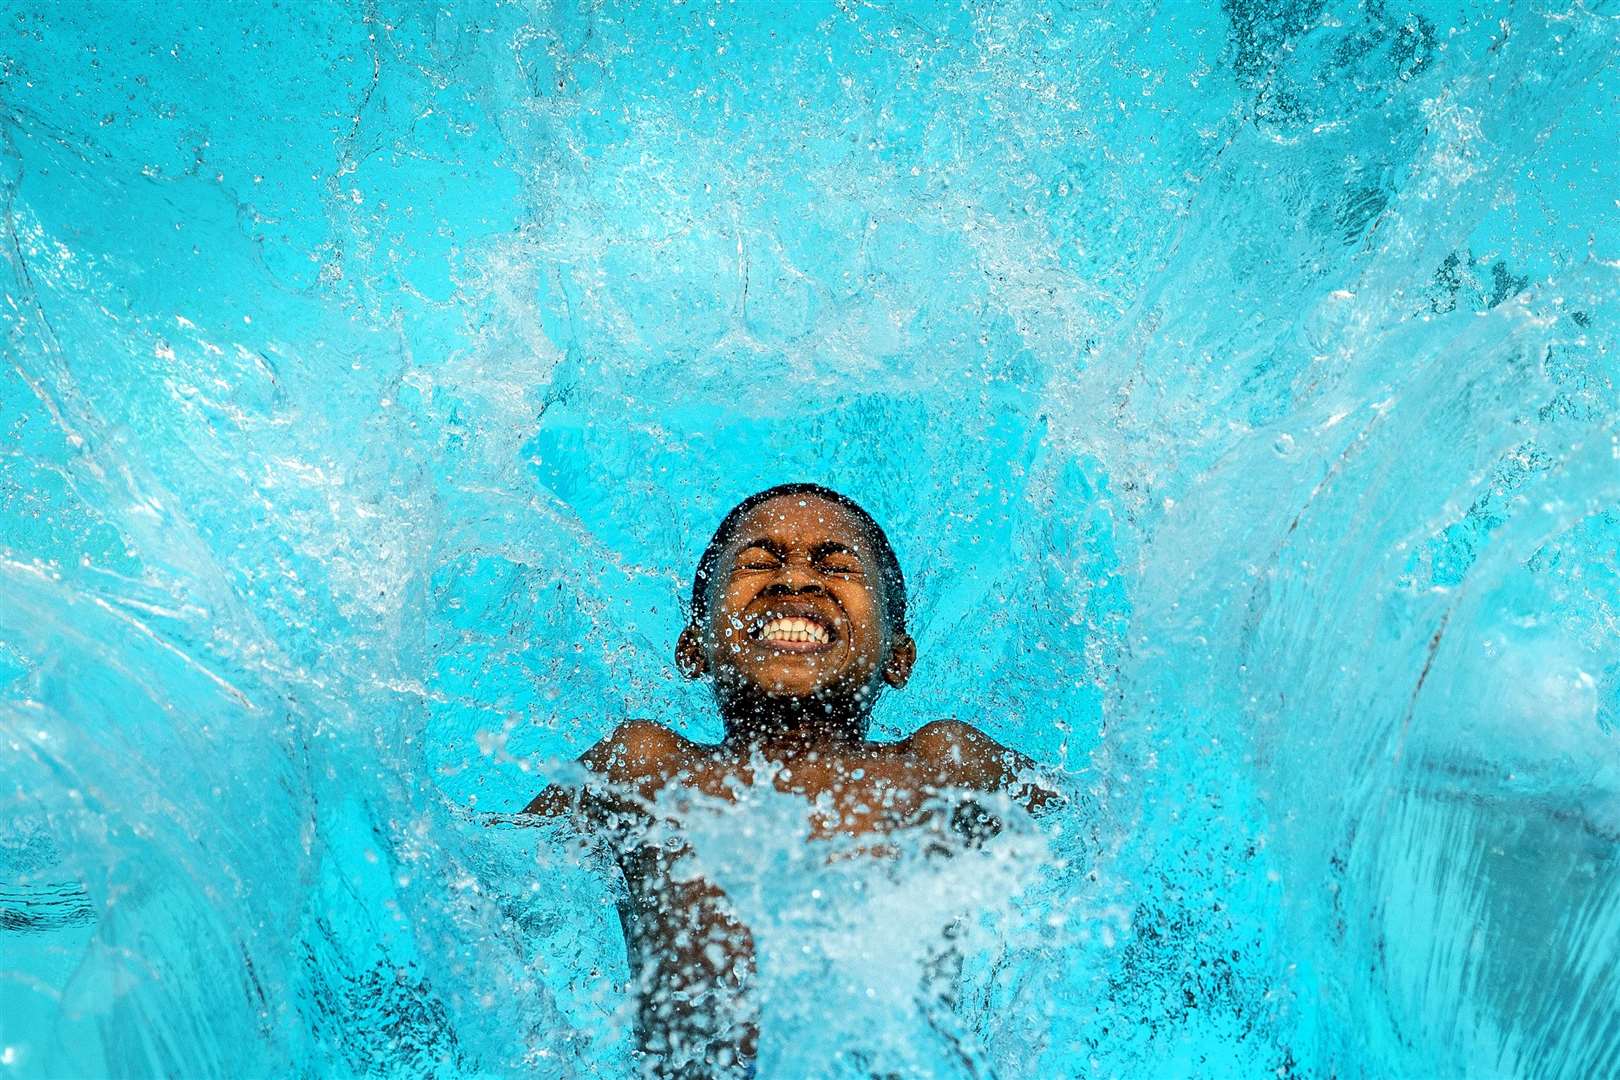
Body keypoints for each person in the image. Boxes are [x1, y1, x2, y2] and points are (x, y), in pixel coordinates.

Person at [522, 483, 1055, 1078]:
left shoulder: (942, 765)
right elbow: (490, 875)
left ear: (898, 657)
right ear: (694, 645)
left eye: (837, 565)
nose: (796, 580)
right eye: (758, 563)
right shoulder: (648, 768)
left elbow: (1107, 845)